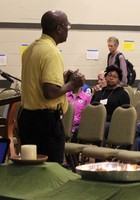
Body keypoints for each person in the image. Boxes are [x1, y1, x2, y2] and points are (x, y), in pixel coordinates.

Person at [18, 10, 85, 164]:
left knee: (31, 169)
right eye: (67, 25)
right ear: (59, 29)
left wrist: (63, 79)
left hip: (27, 118)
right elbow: (50, 92)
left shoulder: (30, 50)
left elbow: (37, 83)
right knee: (50, 170)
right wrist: (72, 84)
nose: (68, 29)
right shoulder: (52, 52)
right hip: (46, 122)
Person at [91, 65, 130, 138]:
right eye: (109, 75)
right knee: (78, 129)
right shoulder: (98, 93)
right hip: (96, 121)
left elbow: (126, 114)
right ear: (105, 77)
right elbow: (91, 108)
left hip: (112, 123)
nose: (111, 78)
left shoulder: (122, 94)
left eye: (115, 77)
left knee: (102, 128)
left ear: (118, 80)